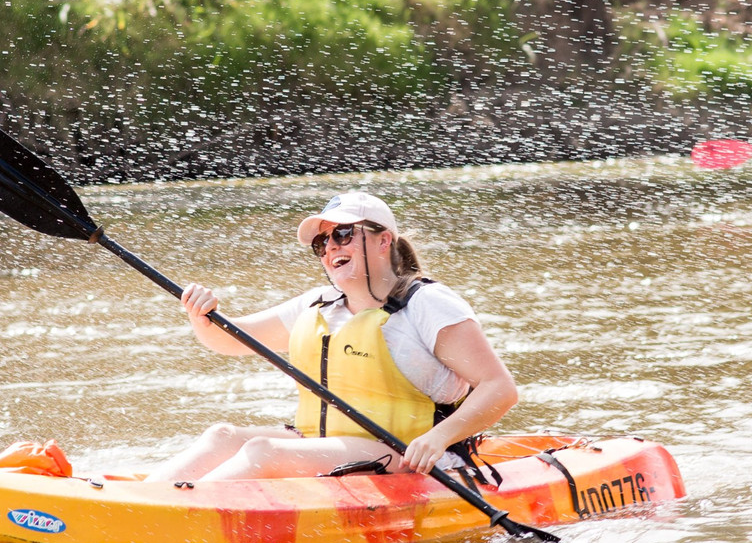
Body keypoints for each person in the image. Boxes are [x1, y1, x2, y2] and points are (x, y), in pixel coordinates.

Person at [144, 191, 518, 483]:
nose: (331, 248)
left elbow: (499, 388)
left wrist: (437, 439)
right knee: (222, 435)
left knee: (265, 451)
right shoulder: (318, 305)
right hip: (324, 447)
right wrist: (200, 315)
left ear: (383, 240)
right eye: (322, 244)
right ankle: (146, 500)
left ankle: (185, 515)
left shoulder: (426, 304)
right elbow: (227, 340)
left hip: (404, 455)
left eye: (342, 234)